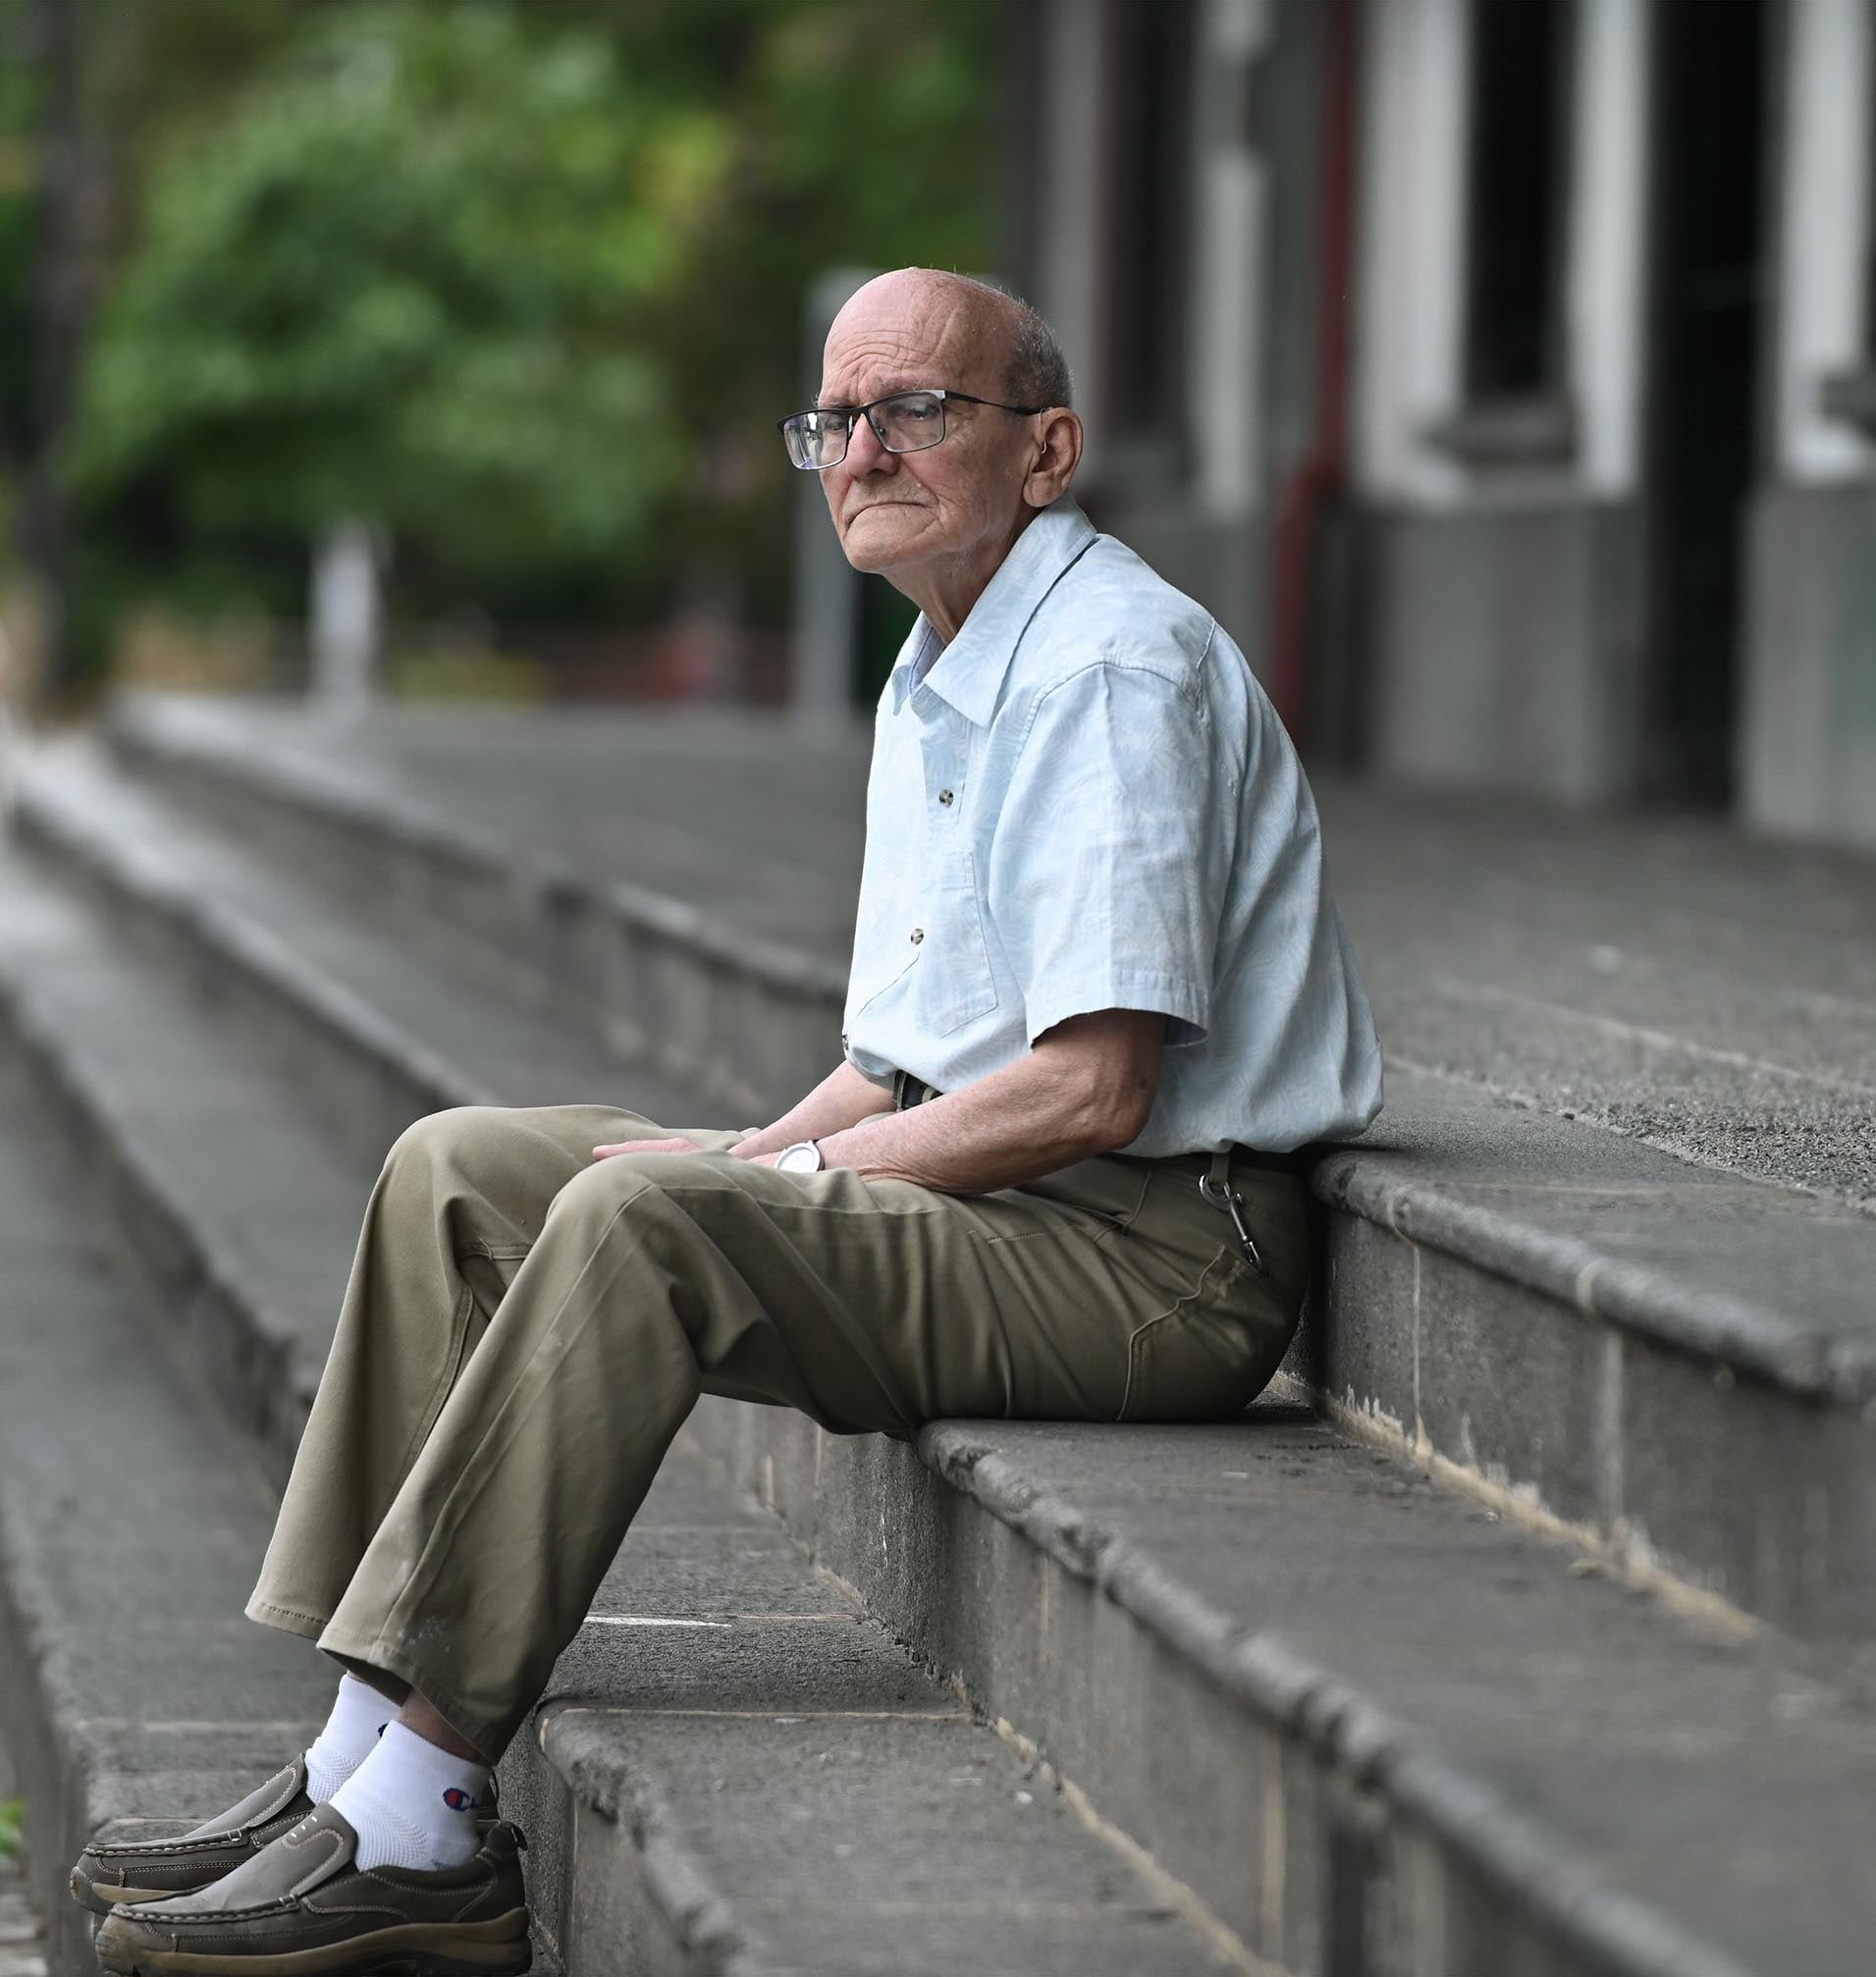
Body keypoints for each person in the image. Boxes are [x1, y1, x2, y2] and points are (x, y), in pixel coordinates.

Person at [79, 267, 1381, 1976]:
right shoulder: (940, 667)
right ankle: (350, 1760)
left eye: (921, 409)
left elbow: (1094, 1088)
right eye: (838, 419)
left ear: (1045, 447)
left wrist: (752, 1181)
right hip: (1019, 1196)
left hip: (1160, 1252)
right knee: (463, 1168)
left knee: (642, 1215)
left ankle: (425, 1831)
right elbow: (895, 1058)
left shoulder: (1107, 672)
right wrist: (751, 1154)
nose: (867, 451)